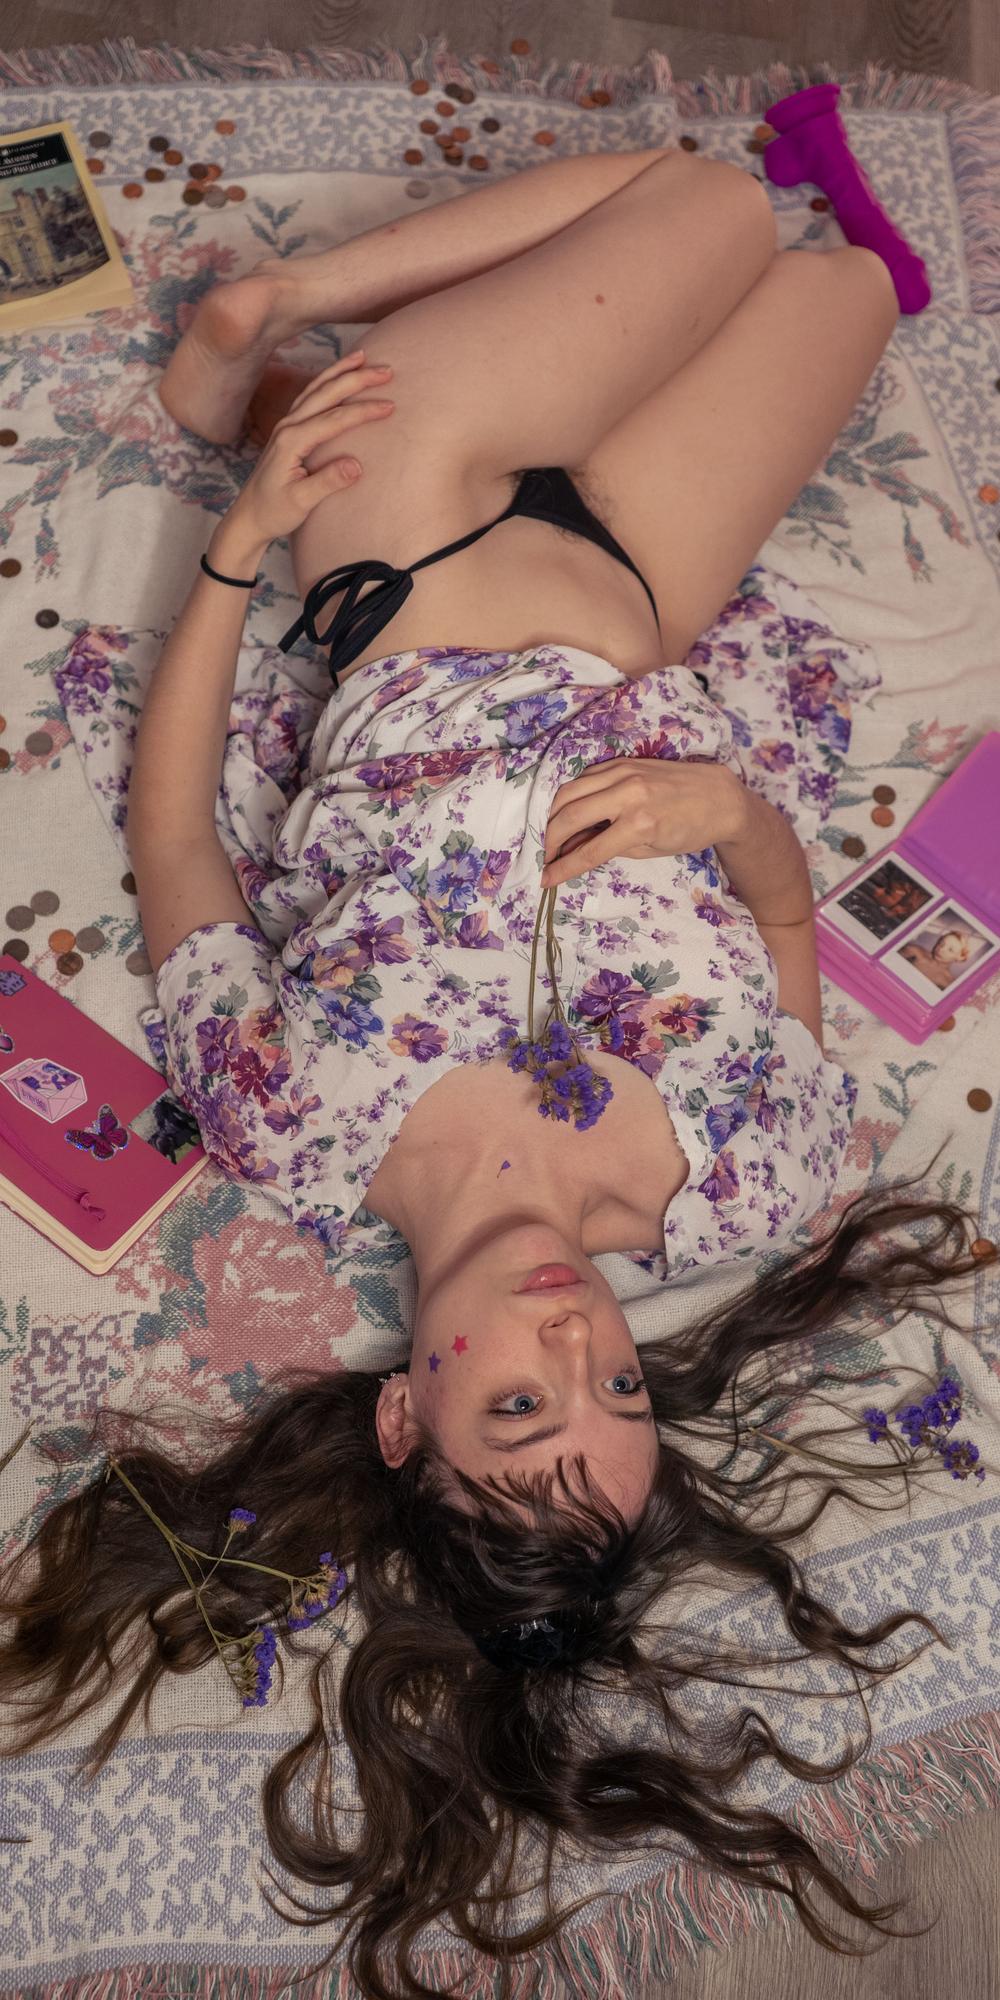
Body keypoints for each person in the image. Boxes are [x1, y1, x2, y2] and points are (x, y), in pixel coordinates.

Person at [6, 139, 977, 1998]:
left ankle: (263, 344)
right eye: (615, 1384)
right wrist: (736, 820)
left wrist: (243, 539)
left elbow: (179, 840)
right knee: (850, 280)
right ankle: (328, 383)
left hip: (419, 539)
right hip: (640, 603)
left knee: (710, 201)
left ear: (403, 1422)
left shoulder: (297, 1133)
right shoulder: (751, 1181)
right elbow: (785, 929)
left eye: (519, 1406)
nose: (569, 1332)